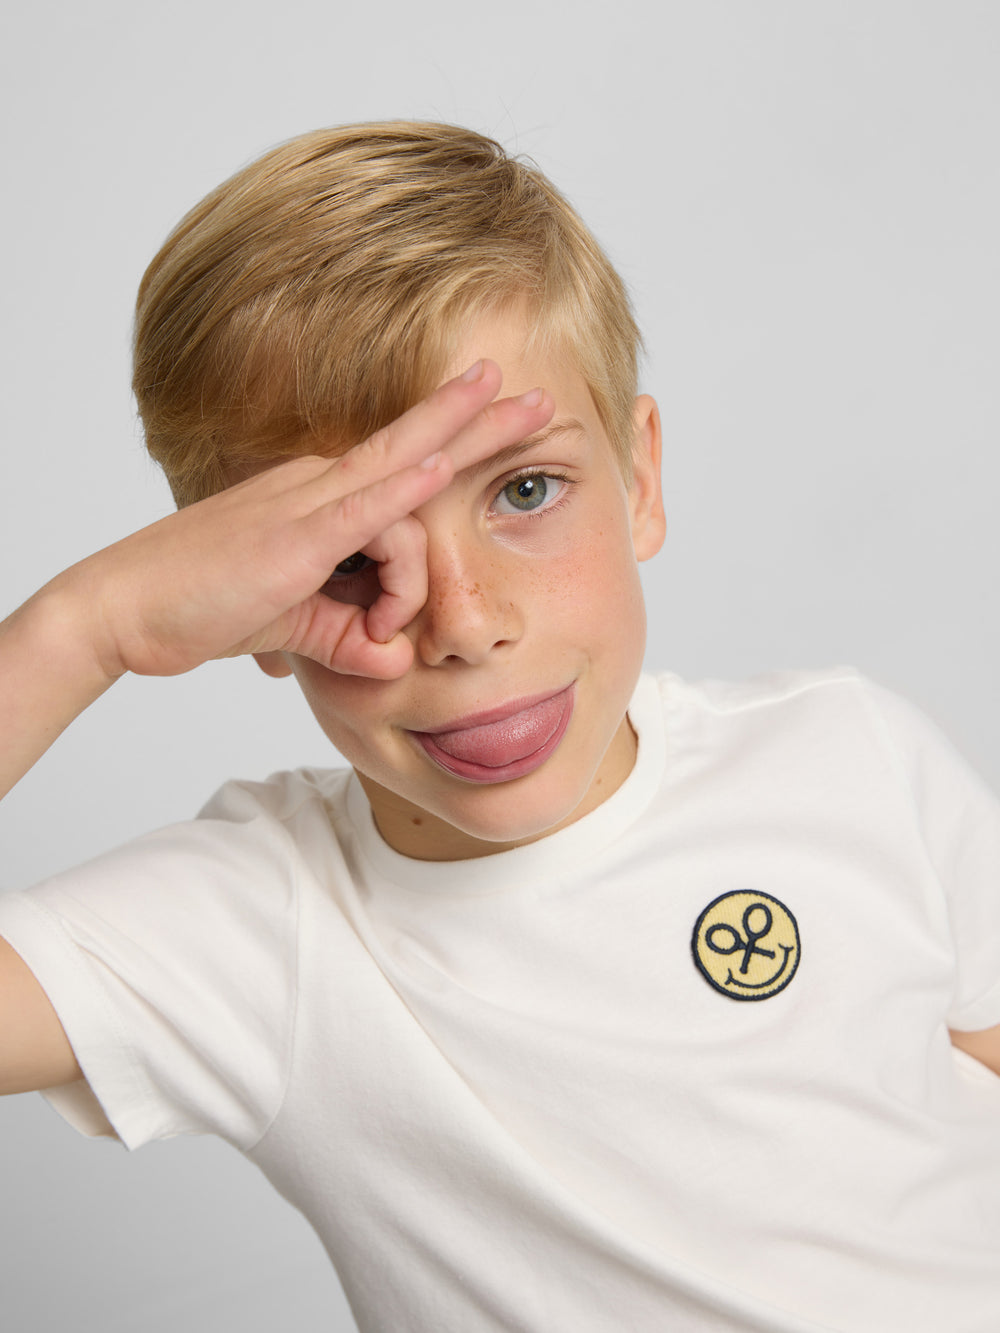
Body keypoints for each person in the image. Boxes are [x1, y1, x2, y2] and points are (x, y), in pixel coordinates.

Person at [1, 121, 999, 1332]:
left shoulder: (849, 756)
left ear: (638, 478)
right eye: (350, 556)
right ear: (230, 597)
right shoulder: (266, 928)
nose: (464, 624)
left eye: (525, 490)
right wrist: (87, 629)